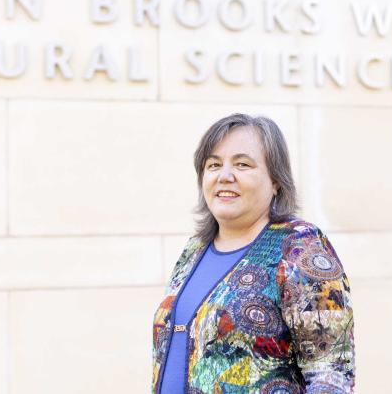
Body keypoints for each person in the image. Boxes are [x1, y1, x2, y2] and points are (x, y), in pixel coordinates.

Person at [151, 113, 355, 393]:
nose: (225, 176)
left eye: (242, 164)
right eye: (213, 165)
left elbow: (330, 376)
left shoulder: (298, 247)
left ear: (276, 182)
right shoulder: (194, 251)